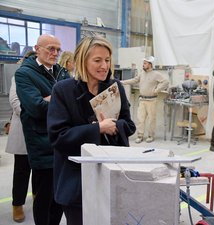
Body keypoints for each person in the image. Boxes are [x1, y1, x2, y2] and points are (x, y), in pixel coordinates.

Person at [47, 36, 136, 225]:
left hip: (112, 175)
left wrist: (115, 126)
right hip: (76, 180)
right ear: (82, 60)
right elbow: (58, 137)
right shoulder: (63, 90)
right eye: (97, 60)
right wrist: (97, 129)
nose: (104, 66)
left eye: (107, 60)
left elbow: (129, 125)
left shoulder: (115, 87)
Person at [15, 34, 70, 225]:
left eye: (58, 49)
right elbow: (36, 108)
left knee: (59, 197)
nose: (55, 53)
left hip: (62, 142)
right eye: (50, 49)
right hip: (41, 144)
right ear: (37, 49)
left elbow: (72, 101)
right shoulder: (24, 74)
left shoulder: (62, 72)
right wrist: (61, 100)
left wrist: (50, 98)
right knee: (44, 198)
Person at [4, 51, 36, 223]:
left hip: (42, 132)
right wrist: (36, 112)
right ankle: (17, 205)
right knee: (22, 170)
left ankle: (39, 198)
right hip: (25, 129)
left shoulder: (44, 76)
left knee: (41, 170)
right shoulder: (19, 76)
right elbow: (15, 101)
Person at [121, 56, 169, 143]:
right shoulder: (142, 74)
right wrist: (122, 82)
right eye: (143, 63)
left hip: (152, 100)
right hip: (142, 100)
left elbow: (166, 81)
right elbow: (134, 80)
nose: (143, 65)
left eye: (145, 63)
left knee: (151, 119)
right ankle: (140, 135)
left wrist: (157, 89)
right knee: (140, 119)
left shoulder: (156, 74)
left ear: (150, 65)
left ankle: (151, 136)